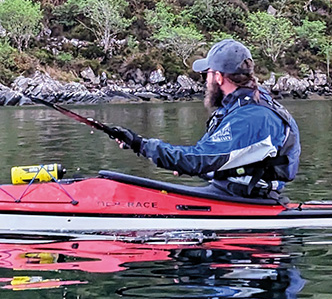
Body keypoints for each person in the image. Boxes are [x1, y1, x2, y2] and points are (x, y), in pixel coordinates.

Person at [109, 38, 301, 200]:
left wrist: (142, 145)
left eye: (205, 75)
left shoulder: (251, 116)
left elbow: (199, 159)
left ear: (218, 77)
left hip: (244, 198)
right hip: (237, 192)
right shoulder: (248, 105)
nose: (205, 82)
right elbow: (216, 160)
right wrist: (138, 145)